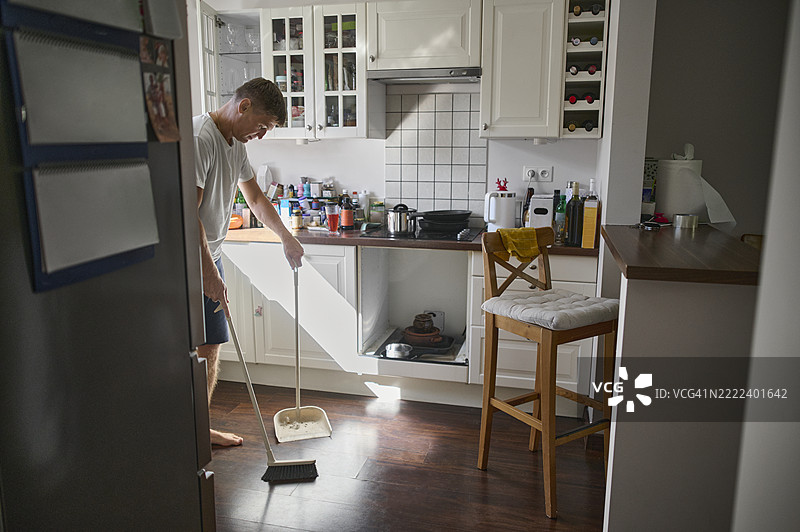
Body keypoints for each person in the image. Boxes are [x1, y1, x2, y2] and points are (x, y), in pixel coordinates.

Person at [194, 78, 304, 447]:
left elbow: (255, 198)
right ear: (243, 107)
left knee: (210, 347)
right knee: (197, 347)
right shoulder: (201, 139)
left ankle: (197, 430)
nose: (260, 136)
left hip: (211, 254)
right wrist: (208, 271)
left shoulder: (233, 142)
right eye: (262, 127)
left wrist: (287, 238)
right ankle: (189, 433)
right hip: (191, 259)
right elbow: (185, 212)